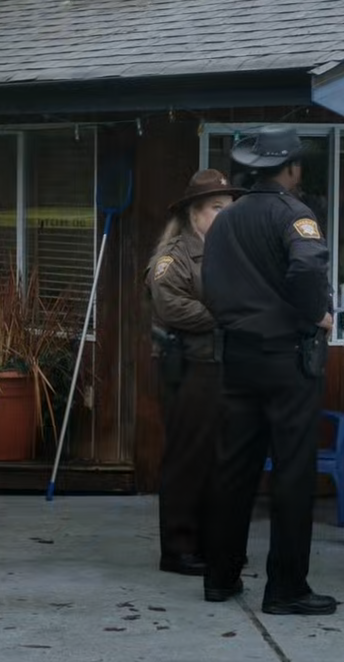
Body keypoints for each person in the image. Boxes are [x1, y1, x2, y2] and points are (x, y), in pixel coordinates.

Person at [200, 125, 338, 615]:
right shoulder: (294, 214)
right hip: (287, 357)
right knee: (292, 472)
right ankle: (286, 588)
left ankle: (220, 576)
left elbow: (209, 284)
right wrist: (316, 313)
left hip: (237, 356)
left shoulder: (225, 221)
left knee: (234, 467)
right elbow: (307, 269)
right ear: (292, 169)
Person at [147, 169, 244, 577]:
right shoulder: (175, 255)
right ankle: (178, 547)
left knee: (218, 459)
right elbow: (169, 303)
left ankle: (209, 543)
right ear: (194, 214)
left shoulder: (231, 252)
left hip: (223, 366)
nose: (225, 215)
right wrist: (224, 315)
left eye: (229, 208)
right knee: (188, 457)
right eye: (216, 208)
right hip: (188, 367)